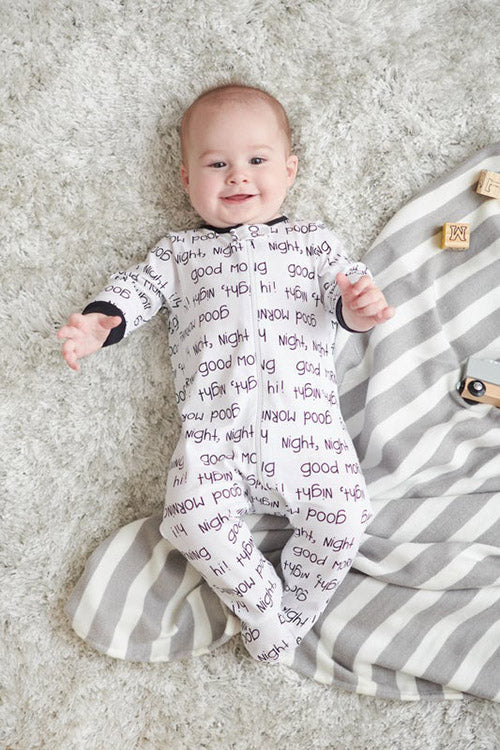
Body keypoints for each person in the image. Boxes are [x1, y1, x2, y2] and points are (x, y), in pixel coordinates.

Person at [58, 84, 394, 663]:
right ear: (188, 180)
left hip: (306, 430)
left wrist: (358, 309)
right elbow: (138, 291)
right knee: (187, 515)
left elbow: (346, 294)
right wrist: (101, 321)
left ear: (289, 171)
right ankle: (263, 607)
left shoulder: (312, 242)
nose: (238, 177)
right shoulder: (179, 253)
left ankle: (291, 615)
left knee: (344, 519)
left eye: (257, 161)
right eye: (217, 164)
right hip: (213, 434)